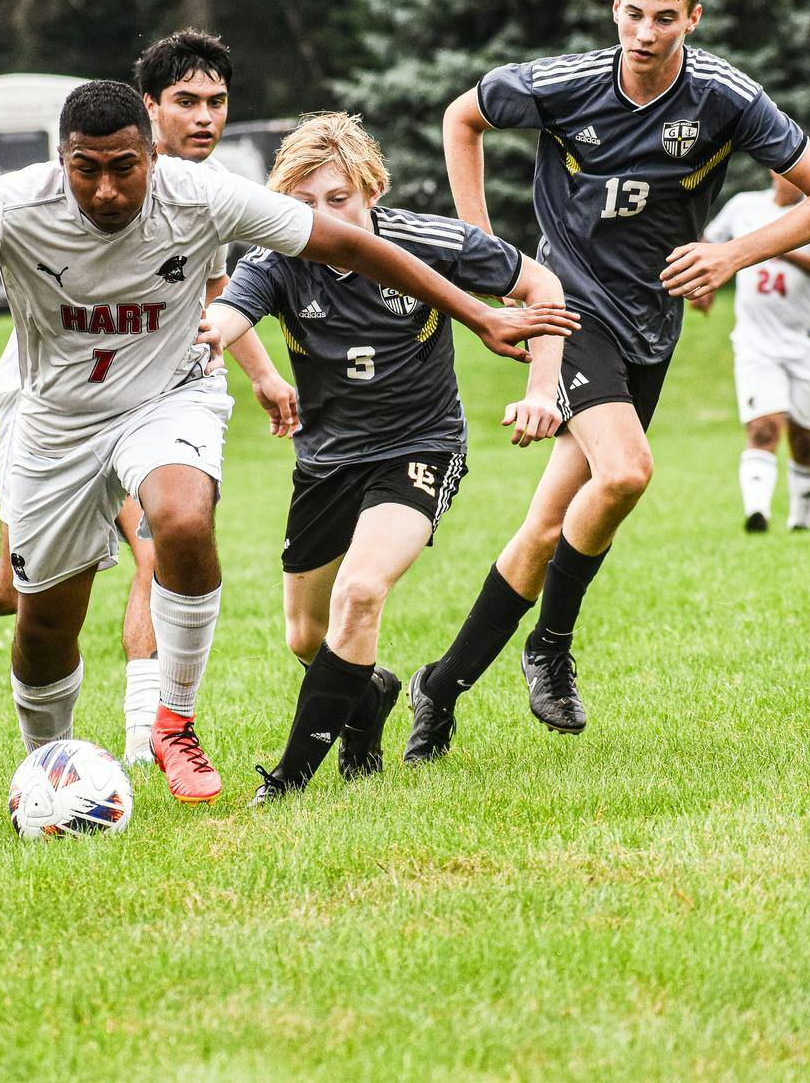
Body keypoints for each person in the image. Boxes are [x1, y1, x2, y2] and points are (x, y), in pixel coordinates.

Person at [0, 82, 575, 803]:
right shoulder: (13, 206)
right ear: (60, 159)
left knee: (191, 525)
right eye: (85, 169)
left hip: (219, 409)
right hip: (68, 421)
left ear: (150, 159)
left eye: (122, 168)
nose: (103, 190)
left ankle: (190, 733)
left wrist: (488, 328)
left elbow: (374, 250)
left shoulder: (209, 195)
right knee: (46, 616)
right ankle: (50, 770)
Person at [404, 0, 810, 763]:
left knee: (547, 525)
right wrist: (488, 255)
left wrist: (729, 253)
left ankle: (440, 687)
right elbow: (460, 117)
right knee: (627, 470)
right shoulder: (566, 83)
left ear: (694, 16)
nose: (644, 34)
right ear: (614, 5)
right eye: (632, 13)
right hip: (571, 308)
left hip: (651, 325)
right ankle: (551, 649)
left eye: (665, 19)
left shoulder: (724, 97)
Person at [0, 30, 297, 773]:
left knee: (163, 539)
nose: (204, 118)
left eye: (217, 102)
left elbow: (209, 299)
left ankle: (144, 742)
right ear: (150, 112)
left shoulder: (202, 194)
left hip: (151, 401)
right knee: (15, 593)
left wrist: (259, 371)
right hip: (50, 403)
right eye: (186, 102)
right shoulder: (84, 183)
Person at [198, 113, 566, 803]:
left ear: (371, 189)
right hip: (326, 463)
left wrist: (542, 389)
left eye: (338, 200)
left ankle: (288, 783)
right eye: (304, 205)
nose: (324, 217)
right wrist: (208, 334)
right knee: (306, 634)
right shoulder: (278, 260)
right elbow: (229, 314)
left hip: (419, 446)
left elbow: (541, 286)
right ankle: (368, 699)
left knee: (360, 593)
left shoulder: (429, 242)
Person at [693, 172, 810, 532]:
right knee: (762, 427)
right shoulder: (744, 207)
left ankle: (801, 523)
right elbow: (708, 239)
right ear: (775, 172)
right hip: (755, 341)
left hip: (808, 342)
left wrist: (778, 247)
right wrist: (702, 284)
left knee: (805, 438)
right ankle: (756, 513)